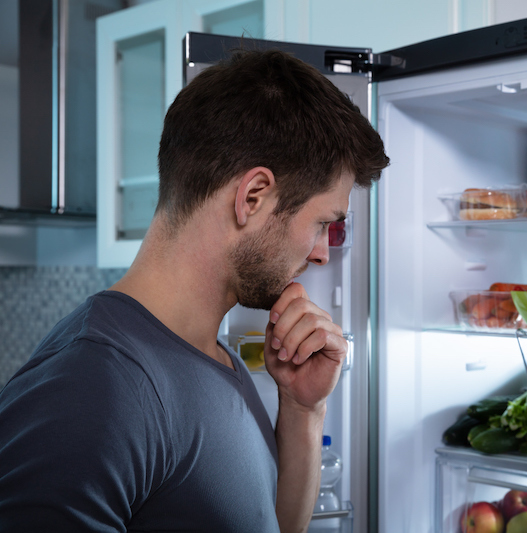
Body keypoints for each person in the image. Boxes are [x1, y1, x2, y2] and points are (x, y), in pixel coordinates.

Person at [0, 49, 389, 532]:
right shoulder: (90, 391)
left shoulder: (210, 354)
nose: (320, 254)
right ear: (252, 197)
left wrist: (303, 410)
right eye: (322, 224)